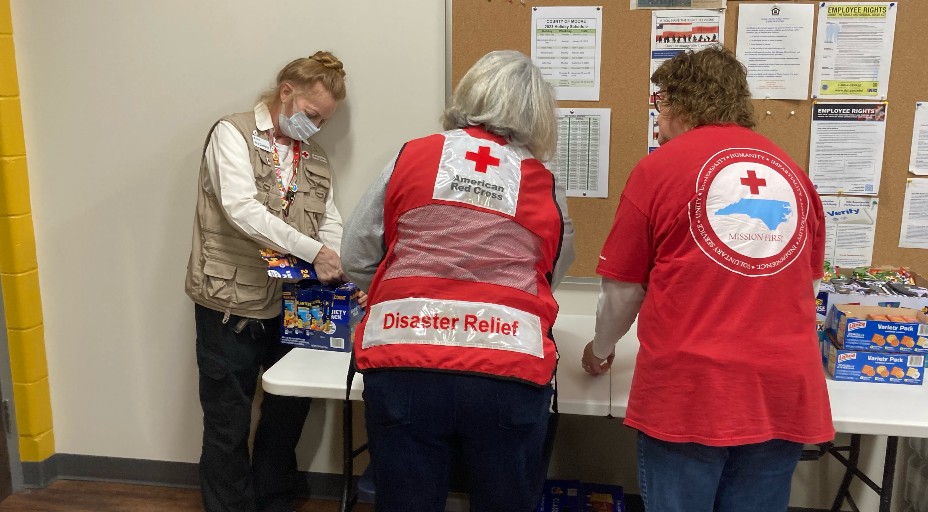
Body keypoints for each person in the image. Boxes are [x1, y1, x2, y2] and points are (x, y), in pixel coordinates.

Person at [580, 46, 833, 512]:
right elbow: (806, 288)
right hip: (783, 389)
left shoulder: (658, 169)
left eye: (659, 103)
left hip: (691, 392)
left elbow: (623, 291)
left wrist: (600, 350)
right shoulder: (794, 174)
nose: (657, 121)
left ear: (680, 102)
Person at [340, 50, 575, 512]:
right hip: (506, 371)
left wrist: (397, 287)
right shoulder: (543, 183)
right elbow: (551, 271)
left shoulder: (411, 156)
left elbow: (356, 254)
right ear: (538, 115)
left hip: (406, 358)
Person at [184, 50, 348, 512]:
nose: (315, 126)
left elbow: (329, 220)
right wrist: (313, 251)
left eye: (324, 121)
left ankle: (273, 500)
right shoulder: (231, 134)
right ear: (286, 92)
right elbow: (241, 209)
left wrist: (336, 259)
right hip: (229, 302)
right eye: (311, 114)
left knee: (287, 412)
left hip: (295, 304)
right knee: (227, 422)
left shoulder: (314, 158)